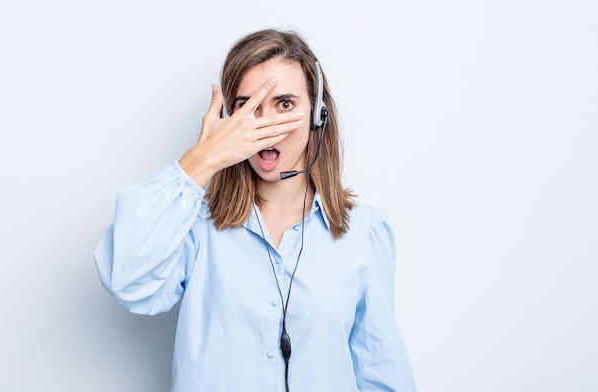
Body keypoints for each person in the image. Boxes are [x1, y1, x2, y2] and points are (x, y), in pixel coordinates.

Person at [94, 28, 416, 391]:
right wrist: (204, 158)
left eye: (285, 104)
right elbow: (127, 280)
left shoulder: (364, 233)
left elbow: (380, 373)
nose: (265, 126)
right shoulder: (195, 227)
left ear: (317, 115)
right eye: (248, 107)